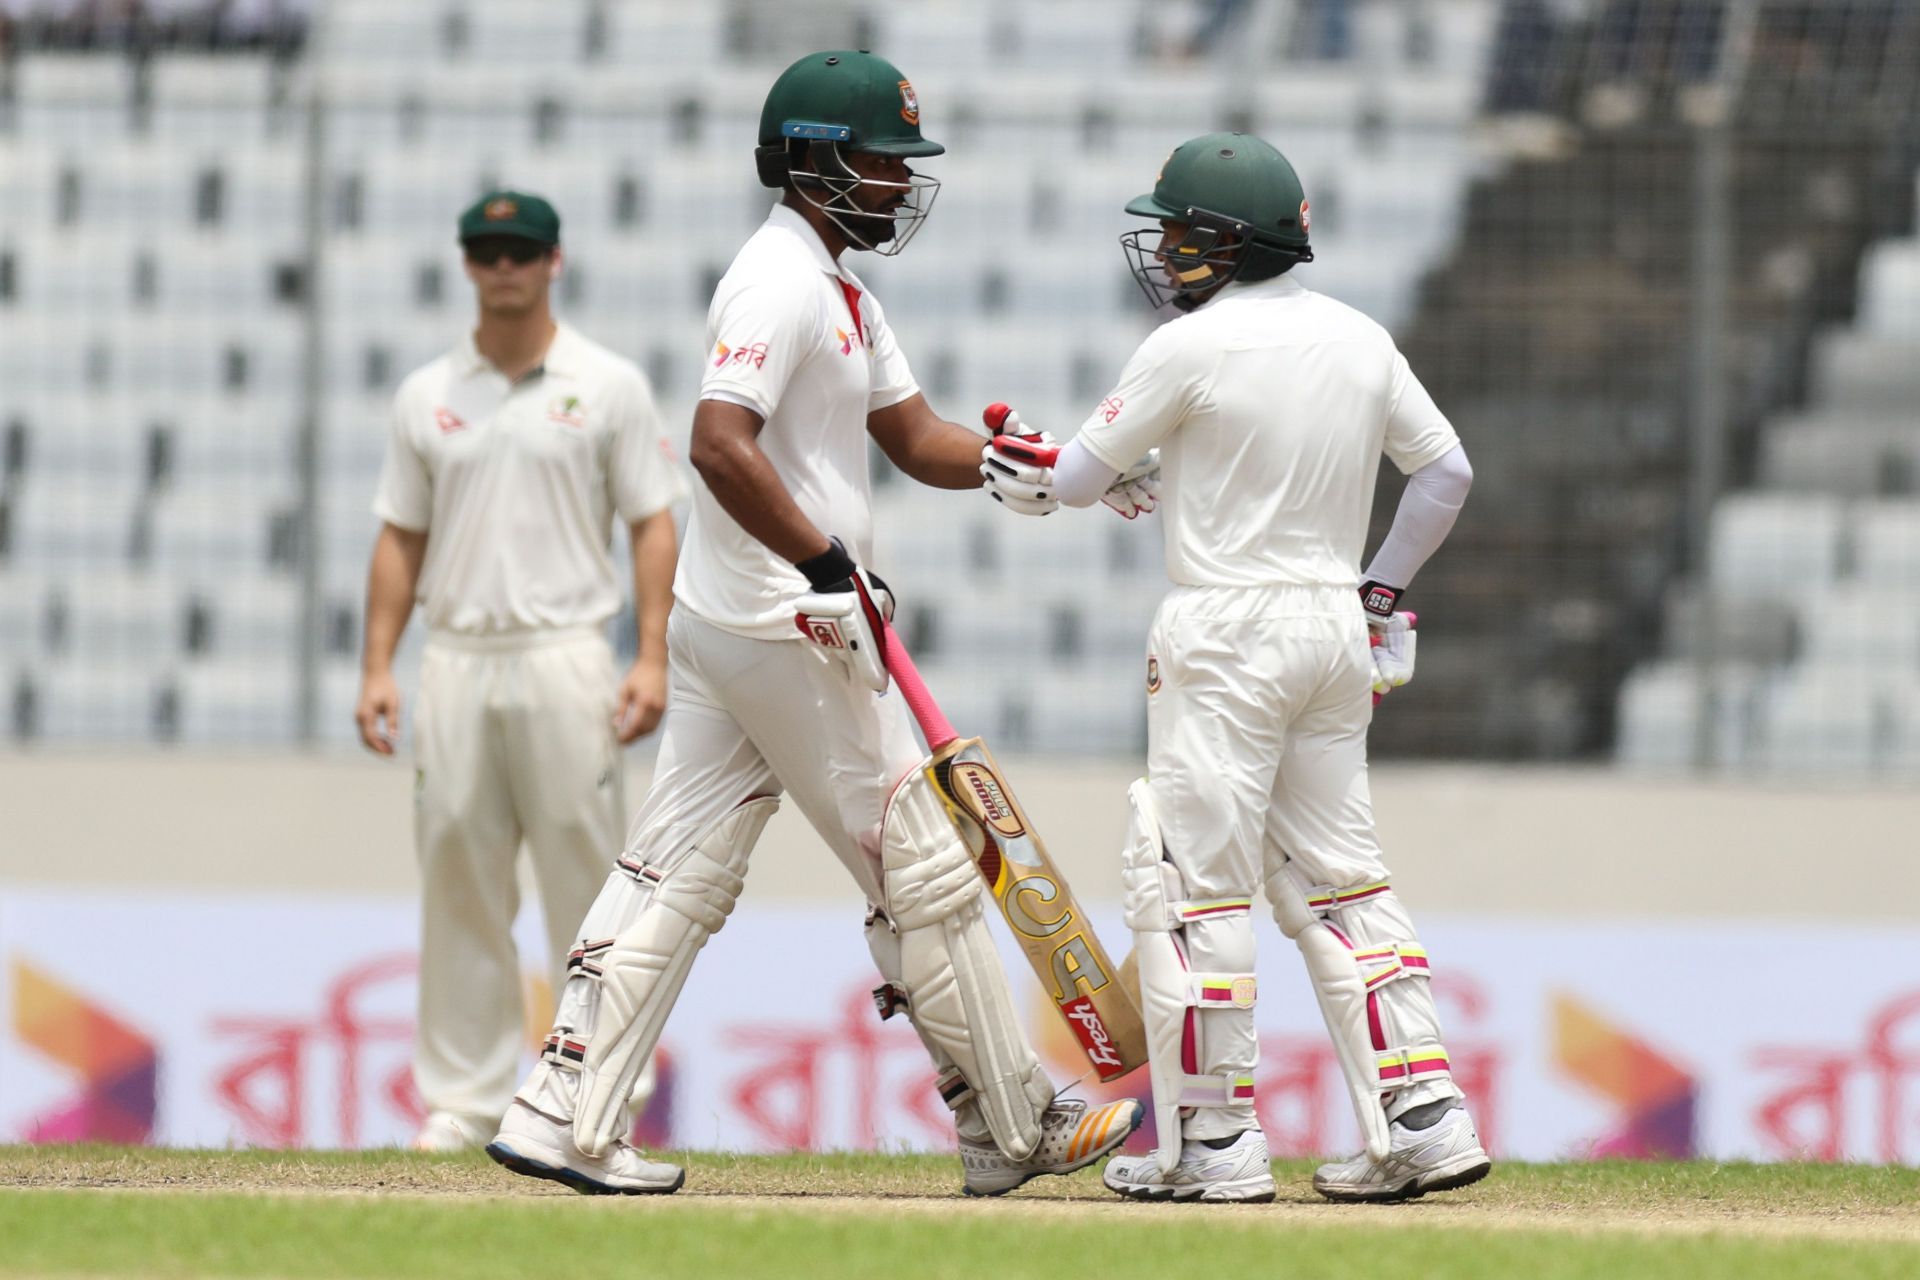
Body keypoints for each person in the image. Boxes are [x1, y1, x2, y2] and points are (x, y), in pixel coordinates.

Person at [483, 51, 1142, 1198]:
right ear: (810, 161)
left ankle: (561, 1110)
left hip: (735, 622)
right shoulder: (776, 281)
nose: (898, 183)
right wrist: (826, 564)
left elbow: (911, 432)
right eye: (881, 161)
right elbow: (717, 441)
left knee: (673, 869)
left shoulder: (841, 290)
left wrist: (1000, 459)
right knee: (924, 870)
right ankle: (1014, 1121)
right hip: (794, 627)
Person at [981, 132, 1488, 1204]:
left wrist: (1024, 471)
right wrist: (1379, 589)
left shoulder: (1187, 346)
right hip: (1330, 623)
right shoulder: (1360, 338)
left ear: (1225, 241)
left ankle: (1212, 1140)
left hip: (1222, 631)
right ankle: (1424, 1114)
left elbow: (1072, 479)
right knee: (1341, 878)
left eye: (1175, 231)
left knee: (1188, 885)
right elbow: (1445, 473)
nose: (1162, 252)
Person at [355, 190, 686, 1151]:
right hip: (456, 656)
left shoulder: (608, 384)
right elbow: (398, 536)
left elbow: (652, 523)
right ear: (466, 263)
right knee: (458, 872)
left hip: (567, 655)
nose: (505, 266)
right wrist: (379, 664)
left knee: (591, 881)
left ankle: (602, 1094)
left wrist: (651, 653)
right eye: (489, 250)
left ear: (555, 262)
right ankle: (463, 1100)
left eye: (522, 251)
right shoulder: (428, 394)